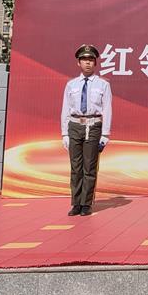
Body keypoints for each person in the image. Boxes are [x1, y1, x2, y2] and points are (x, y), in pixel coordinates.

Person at [60, 44, 112, 216]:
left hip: (93, 125)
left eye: (91, 60)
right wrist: (64, 133)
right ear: (78, 63)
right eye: (84, 59)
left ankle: (86, 203)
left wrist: (105, 134)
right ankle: (76, 203)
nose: (87, 63)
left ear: (95, 63)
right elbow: (65, 109)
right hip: (75, 125)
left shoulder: (103, 84)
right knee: (75, 167)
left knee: (89, 166)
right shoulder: (71, 84)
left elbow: (107, 109)